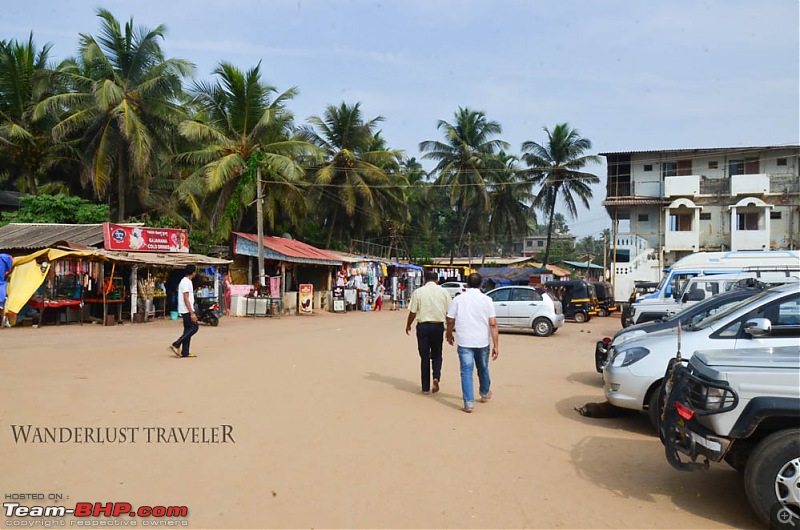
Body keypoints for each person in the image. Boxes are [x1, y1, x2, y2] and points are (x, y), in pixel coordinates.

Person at [445, 272, 499, 413]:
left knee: (466, 372)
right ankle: (485, 393)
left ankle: (469, 403)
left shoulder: (459, 299)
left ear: (467, 284)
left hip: (464, 341)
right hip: (482, 341)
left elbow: (450, 319)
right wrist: (496, 345)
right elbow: (493, 323)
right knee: (483, 368)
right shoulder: (487, 300)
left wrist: (449, 333)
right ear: (481, 285)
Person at [405, 270, 452, 394]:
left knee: (424, 356)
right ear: (437, 280)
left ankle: (425, 388)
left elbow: (413, 312)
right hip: (438, 326)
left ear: (425, 280)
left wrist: (408, 325)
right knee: (437, 354)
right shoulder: (444, 292)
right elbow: (449, 313)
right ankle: (436, 377)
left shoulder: (418, 292)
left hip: (423, 327)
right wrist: (449, 330)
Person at [170, 264, 199, 358]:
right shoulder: (186, 282)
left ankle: (185, 351)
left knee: (187, 330)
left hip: (185, 309)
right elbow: (186, 298)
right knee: (194, 328)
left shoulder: (185, 281)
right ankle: (176, 344)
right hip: (186, 310)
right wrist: (192, 313)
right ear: (193, 272)